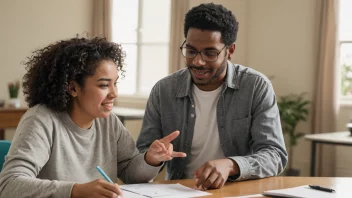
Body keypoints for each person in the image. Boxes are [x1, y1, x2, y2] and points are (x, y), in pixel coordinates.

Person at [0, 36, 186, 198]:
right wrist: (76, 191)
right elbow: (9, 185)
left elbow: (131, 173)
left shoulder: (109, 122)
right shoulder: (41, 120)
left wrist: (150, 159)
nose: (114, 94)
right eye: (104, 85)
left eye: (115, 84)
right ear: (72, 88)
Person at [137, 3, 288, 190]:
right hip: (178, 191)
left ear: (230, 51)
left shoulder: (255, 86)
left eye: (210, 53)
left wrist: (231, 164)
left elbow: (275, 154)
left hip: (235, 190)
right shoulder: (163, 90)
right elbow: (140, 157)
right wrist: (152, 158)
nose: (198, 61)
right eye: (191, 51)